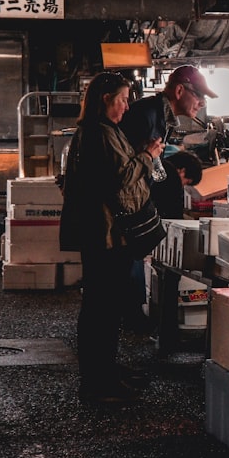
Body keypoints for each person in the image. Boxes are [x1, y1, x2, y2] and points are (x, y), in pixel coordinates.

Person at [59, 72, 165, 405]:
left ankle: (105, 371)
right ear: (106, 99)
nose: (127, 105)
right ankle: (97, 383)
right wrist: (147, 155)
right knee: (100, 310)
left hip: (106, 234)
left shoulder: (103, 131)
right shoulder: (99, 133)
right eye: (123, 98)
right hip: (102, 235)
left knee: (106, 308)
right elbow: (122, 178)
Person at [120, 66, 215, 333]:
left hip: (133, 205)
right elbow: (134, 167)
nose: (201, 102)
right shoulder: (148, 115)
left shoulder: (159, 116)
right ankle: (105, 366)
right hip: (126, 209)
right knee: (118, 277)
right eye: (198, 95)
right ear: (179, 90)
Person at [150, 150, 204, 219]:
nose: (183, 185)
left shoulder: (158, 164)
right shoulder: (173, 178)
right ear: (182, 171)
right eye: (187, 182)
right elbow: (174, 214)